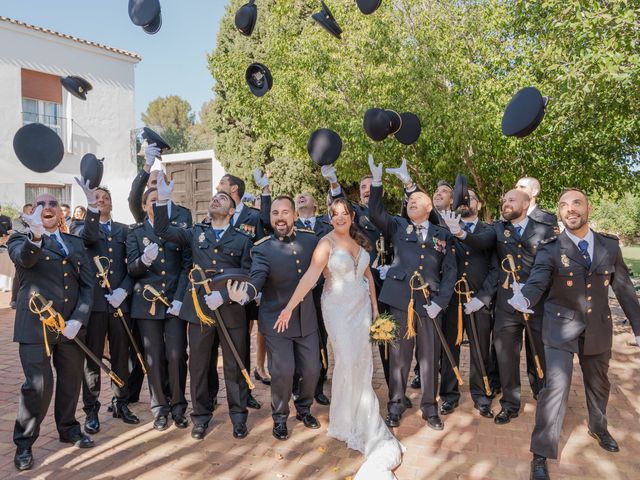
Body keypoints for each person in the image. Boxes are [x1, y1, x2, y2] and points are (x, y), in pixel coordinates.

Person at [508, 188, 640, 480]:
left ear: (588, 209)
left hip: (598, 327)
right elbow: (538, 279)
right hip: (559, 326)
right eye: (564, 205)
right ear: (560, 213)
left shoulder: (609, 246)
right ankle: (541, 452)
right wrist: (525, 299)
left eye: (576, 203)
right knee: (555, 388)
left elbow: (624, 290)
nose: (570, 209)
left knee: (599, 384)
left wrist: (637, 327)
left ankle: (598, 426)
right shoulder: (551, 247)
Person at [277, 197, 405, 479]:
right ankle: (353, 420)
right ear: (330, 217)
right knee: (346, 361)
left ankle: (349, 416)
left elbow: (368, 275)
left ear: (351, 215)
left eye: (344, 213)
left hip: (361, 311)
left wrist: (374, 307)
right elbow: (311, 276)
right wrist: (289, 307)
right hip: (337, 308)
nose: (339, 218)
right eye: (334, 214)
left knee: (361, 362)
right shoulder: (326, 244)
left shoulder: (359, 240)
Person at [153, 177, 253, 440]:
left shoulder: (242, 239)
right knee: (198, 366)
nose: (215, 199)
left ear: (232, 210)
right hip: (200, 310)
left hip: (230, 310)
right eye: (214, 198)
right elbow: (163, 230)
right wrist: (162, 200)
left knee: (234, 364)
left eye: (222, 198)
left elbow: (247, 275)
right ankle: (200, 417)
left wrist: (223, 296)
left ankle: (238, 416)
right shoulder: (196, 232)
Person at [367, 156, 457, 431]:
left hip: (429, 304)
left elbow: (450, 271)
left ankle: (430, 408)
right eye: (410, 200)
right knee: (399, 357)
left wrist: (440, 303)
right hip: (400, 302)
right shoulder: (397, 226)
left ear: (430, 207)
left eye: (418, 199)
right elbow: (375, 213)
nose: (412, 202)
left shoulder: (443, 233)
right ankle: (395, 406)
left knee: (430, 358)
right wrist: (378, 182)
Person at [9, 195, 95, 471]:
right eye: (40, 204)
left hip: (69, 327)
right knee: (38, 386)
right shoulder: (21, 240)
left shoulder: (75, 243)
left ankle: (68, 427)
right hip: (36, 326)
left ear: (60, 213)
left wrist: (78, 319)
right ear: (32, 212)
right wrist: (34, 234)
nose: (47, 207)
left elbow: (88, 286)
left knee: (71, 381)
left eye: (52, 204)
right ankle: (24, 443)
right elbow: (25, 260)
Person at [230, 196, 322, 441]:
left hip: (307, 319)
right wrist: (246, 294)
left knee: (313, 369)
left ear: (293, 215)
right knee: (282, 371)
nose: (279, 218)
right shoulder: (262, 248)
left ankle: (304, 409)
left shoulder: (311, 240)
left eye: (284, 212)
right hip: (276, 319)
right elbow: (257, 277)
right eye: (274, 213)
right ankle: (280, 418)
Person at [461, 189, 555, 425]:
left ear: (526, 203)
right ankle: (510, 404)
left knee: (539, 356)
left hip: (537, 305)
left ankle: (543, 399)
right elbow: (480, 242)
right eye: (503, 200)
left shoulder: (544, 229)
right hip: (506, 306)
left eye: (511, 200)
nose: (505, 204)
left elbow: (550, 267)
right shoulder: (497, 229)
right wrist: (460, 232)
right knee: (506, 357)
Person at [126, 143, 192, 406]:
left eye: (158, 200)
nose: (155, 204)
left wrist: (180, 298)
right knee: (152, 357)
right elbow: (132, 269)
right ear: (144, 206)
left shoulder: (181, 219)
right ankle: (159, 407)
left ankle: (178, 404)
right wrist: (143, 260)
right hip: (147, 305)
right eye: (151, 201)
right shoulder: (136, 232)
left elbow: (187, 262)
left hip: (174, 301)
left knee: (176, 355)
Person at [322, 164, 396, 394]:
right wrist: (334, 183)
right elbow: (340, 204)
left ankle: (395, 390)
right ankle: (356, 387)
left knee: (386, 338)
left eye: (370, 186)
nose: (366, 190)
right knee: (355, 342)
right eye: (363, 187)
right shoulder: (356, 215)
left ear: (378, 191)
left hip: (387, 285)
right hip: (362, 284)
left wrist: (393, 267)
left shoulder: (390, 218)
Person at [74, 179, 139, 434]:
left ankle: (121, 402)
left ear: (112, 204)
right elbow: (89, 238)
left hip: (119, 303)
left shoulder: (125, 230)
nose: (101, 202)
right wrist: (90, 209)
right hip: (96, 305)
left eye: (105, 199)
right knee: (92, 359)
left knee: (121, 356)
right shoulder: (82, 227)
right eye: (97, 199)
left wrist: (123, 290)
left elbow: (132, 265)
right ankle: (91, 411)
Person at [439, 190, 499, 418]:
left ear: (479, 203)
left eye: (470, 199)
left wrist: (482, 298)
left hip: (478, 300)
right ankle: (448, 395)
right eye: (461, 200)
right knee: (449, 350)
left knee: (480, 350)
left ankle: (482, 396)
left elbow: (495, 270)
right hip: (452, 300)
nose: (465, 203)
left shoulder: (489, 231)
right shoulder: (446, 230)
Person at [292, 191, 332, 405]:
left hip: (321, 291)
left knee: (319, 338)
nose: (301, 196)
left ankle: (317, 386)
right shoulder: (291, 225)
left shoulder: (326, 225)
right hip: (297, 290)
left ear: (315, 204)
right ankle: (297, 384)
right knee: (297, 336)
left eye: (307, 195)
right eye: (299, 196)